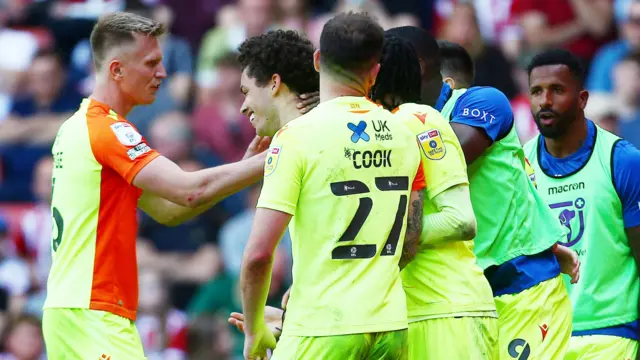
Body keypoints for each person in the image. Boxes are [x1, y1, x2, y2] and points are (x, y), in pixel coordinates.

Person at [41, 12, 271, 359]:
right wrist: (276, 158)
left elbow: (170, 210)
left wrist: (244, 169)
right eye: (151, 63)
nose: (162, 73)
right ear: (116, 70)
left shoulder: (76, 127)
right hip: (95, 309)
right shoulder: (108, 130)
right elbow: (188, 189)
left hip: (69, 308)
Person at [239, 13, 425, 360]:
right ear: (375, 70)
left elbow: (258, 256)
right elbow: (410, 242)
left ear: (319, 60)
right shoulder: (403, 132)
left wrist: (253, 331)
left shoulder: (296, 138)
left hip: (323, 329)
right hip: (391, 327)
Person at [386, 30, 579, 359]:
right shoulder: (394, 123)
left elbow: (453, 155)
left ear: (415, 67)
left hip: (522, 286)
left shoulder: (480, 101)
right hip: (459, 299)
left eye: (380, 68)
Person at [371, 34, 499, 359]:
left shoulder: (421, 121)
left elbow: (461, 220)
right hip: (409, 312)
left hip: (449, 310)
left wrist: (383, 239)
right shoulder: (379, 128)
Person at [523, 48, 640, 360]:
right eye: (537, 91)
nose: (544, 101)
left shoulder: (622, 160)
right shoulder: (519, 166)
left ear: (582, 99)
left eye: (557, 90)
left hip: (612, 333)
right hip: (543, 335)